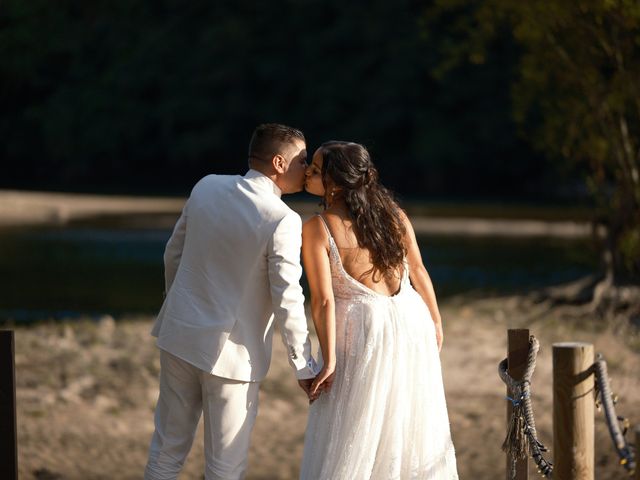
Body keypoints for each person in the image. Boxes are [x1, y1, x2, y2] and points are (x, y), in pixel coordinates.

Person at [144, 123, 318, 480]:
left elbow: (172, 254)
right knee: (225, 468)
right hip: (233, 358)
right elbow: (287, 295)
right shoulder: (282, 219)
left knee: (166, 453)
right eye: (303, 160)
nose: (309, 169)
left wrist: (176, 307)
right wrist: (303, 364)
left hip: (180, 336)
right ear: (279, 163)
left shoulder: (206, 185)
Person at [299, 141, 458, 479]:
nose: (308, 172)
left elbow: (323, 300)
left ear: (337, 182)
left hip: (365, 328)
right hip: (411, 321)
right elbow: (418, 270)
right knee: (405, 423)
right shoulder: (393, 214)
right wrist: (435, 322)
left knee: (355, 426)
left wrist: (328, 360)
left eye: (315, 168)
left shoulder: (318, 227)